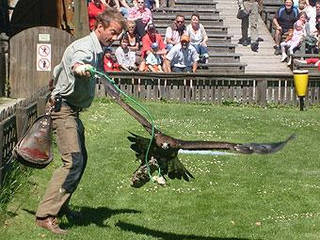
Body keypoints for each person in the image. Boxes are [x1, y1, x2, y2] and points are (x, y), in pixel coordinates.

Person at [35, 8, 126, 235]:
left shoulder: (98, 49)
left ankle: (62, 205)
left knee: (80, 160)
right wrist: (78, 68)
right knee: (73, 161)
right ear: (99, 27)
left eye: (118, 35)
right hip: (63, 110)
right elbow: (78, 62)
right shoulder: (85, 48)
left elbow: (59, 68)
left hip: (72, 111)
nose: (114, 38)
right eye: (112, 33)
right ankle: (46, 215)